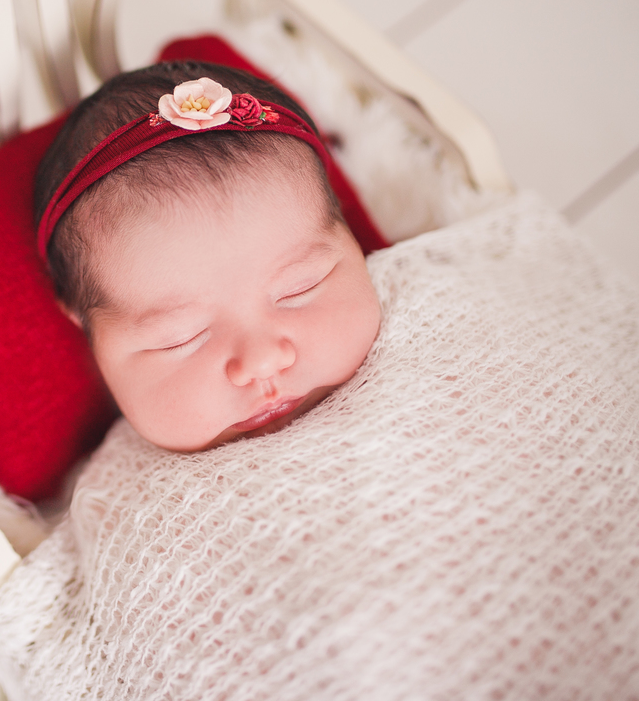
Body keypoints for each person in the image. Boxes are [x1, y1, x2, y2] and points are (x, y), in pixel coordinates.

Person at [34, 61, 381, 453]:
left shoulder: (432, 314)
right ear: (84, 324)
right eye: (181, 339)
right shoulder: (125, 496)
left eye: (301, 287)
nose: (262, 363)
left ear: (349, 236)